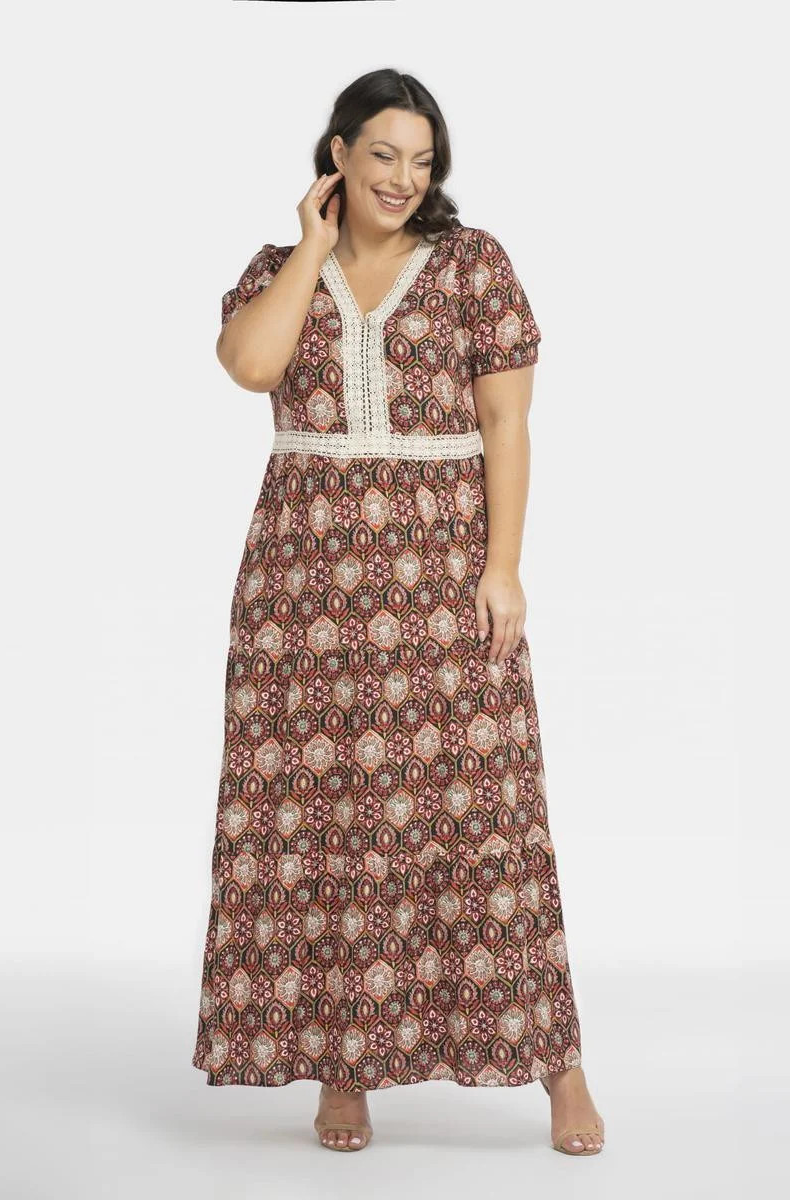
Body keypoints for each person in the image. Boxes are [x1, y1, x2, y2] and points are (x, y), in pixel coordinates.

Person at [192, 68, 605, 1157]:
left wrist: (503, 569)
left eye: (421, 161)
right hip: (303, 592)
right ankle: (345, 1072)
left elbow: (507, 426)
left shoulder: (474, 265)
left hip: (441, 575)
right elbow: (251, 366)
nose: (402, 178)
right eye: (382, 154)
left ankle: (559, 1069)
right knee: (327, 822)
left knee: (488, 818)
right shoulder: (276, 268)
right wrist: (312, 249)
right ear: (338, 153)